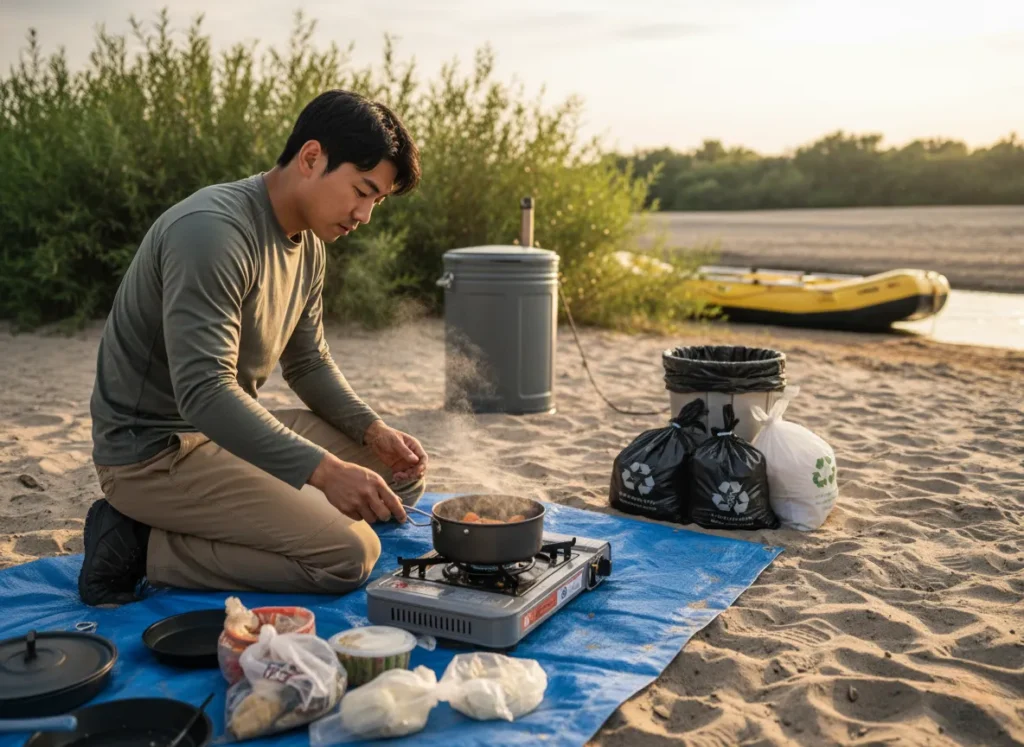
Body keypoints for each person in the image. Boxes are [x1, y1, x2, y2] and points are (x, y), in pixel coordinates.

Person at [78, 89, 427, 607]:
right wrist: (325, 472)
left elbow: (308, 363)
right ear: (312, 158)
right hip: (153, 454)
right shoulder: (212, 231)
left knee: (393, 482)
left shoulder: (308, 243)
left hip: (224, 432)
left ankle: (262, 512)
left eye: (375, 201)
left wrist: (370, 430)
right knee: (348, 555)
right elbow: (204, 391)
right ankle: (138, 542)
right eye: (362, 190)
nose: (365, 215)